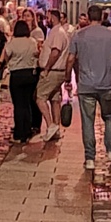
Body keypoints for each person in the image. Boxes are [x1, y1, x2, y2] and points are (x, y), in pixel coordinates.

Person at [65, 5, 111, 171]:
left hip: (86, 86)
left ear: (89, 17)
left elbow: (70, 59)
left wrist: (67, 79)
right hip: (107, 84)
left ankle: (90, 158)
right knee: (110, 117)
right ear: (102, 17)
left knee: (88, 121)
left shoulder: (79, 35)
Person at [0, 20, 42, 143]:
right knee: (27, 103)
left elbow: (6, 55)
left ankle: (19, 133)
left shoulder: (13, 42)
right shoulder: (32, 41)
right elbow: (37, 54)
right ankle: (27, 131)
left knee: (18, 105)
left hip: (17, 74)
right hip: (30, 75)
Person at [33, 10, 73, 143]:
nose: (46, 20)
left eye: (47, 17)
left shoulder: (58, 33)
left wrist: (47, 68)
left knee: (40, 97)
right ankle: (56, 129)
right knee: (55, 98)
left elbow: (55, 52)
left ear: (53, 18)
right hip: (57, 71)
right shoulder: (57, 32)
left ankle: (51, 125)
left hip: (53, 71)